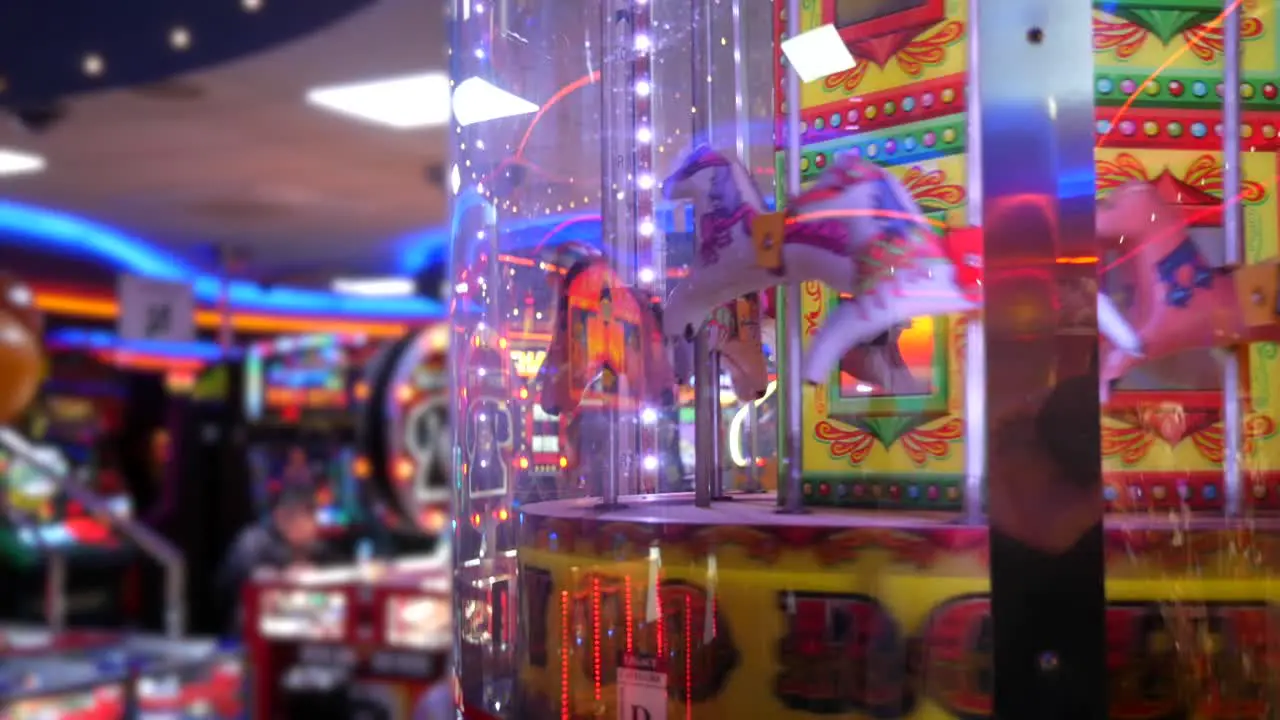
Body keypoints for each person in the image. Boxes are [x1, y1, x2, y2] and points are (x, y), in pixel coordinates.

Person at [216, 485, 337, 631]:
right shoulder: (253, 541)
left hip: (301, 626)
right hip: (251, 632)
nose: (313, 527)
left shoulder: (317, 548)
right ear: (281, 517)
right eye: (307, 517)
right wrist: (282, 577)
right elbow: (235, 584)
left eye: (314, 518)